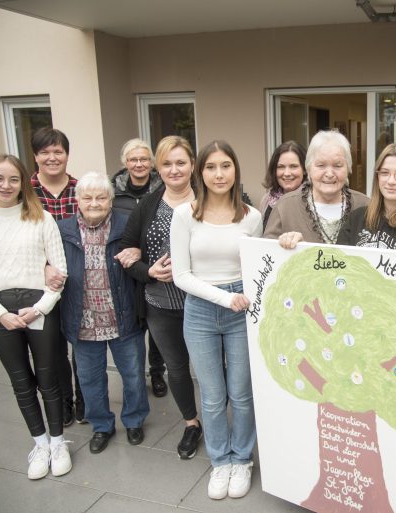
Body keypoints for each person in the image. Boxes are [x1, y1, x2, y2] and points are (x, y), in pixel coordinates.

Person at [0, 154, 72, 479]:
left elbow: (60, 271)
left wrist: (40, 307)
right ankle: (39, 443)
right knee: (21, 383)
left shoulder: (41, 218)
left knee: (49, 380)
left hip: (39, 310)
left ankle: (58, 442)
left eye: (13, 179)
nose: (6, 185)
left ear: (23, 182)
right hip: (1, 315)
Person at [171, 140, 262, 500]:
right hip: (201, 309)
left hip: (242, 311)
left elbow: (258, 268)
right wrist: (226, 298)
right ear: (200, 172)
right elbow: (181, 275)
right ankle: (220, 461)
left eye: (226, 165)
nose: (219, 174)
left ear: (236, 170)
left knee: (241, 394)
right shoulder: (185, 214)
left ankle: (242, 459)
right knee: (211, 395)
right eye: (211, 167)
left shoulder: (251, 216)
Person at [116, 136, 203, 459]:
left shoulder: (210, 200)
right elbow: (127, 253)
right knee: (177, 369)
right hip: (161, 306)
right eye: (167, 163)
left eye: (181, 162)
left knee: (213, 370)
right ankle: (192, 423)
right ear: (158, 168)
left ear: (192, 165)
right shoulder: (148, 205)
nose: (174, 169)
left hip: (203, 305)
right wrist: (148, 272)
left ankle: (219, 421)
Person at [57, 173, 150, 454]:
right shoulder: (62, 229)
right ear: (78, 200)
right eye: (88, 197)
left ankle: (134, 420)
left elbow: (143, 257)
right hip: (82, 318)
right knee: (90, 378)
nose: (94, 202)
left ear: (111, 200)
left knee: (133, 374)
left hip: (122, 315)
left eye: (101, 197)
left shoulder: (127, 225)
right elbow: (47, 260)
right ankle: (101, 426)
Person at [30, 127, 85, 425]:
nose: (52, 158)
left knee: (82, 342)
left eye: (58, 151)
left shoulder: (80, 189)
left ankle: (84, 398)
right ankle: (64, 400)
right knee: (52, 347)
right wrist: (43, 266)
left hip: (79, 278)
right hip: (42, 283)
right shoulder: (24, 193)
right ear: (35, 156)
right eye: (45, 152)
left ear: (66, 154)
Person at [111, 138, 168, 398]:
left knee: (157, 327)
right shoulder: (114, 191)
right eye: (133, 159)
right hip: (127, 269)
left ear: (152, 163)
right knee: (134, 326)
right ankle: (135, 375)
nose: (139, 164)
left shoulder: (163, 188)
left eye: (144, 159)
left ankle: (157, 372)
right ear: (125, 163)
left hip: (157, 268)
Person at [263, 130, 369, 244]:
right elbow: (265, 253)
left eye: (337, 165)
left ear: (348, 168)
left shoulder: (365, 206)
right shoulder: (285, 207)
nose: (329, 174)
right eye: (321, 165)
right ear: (308, 169)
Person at [337, 142, 396, 249]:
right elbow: (339, 261)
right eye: (385, 173)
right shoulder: (356, 218)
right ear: (377, 176)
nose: (391, 181)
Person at [259, 140, 307, 228]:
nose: (287, 173)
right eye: (281, 167)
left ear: (304, 169)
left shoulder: (312, 201)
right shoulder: (267, 200)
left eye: (293, 166)